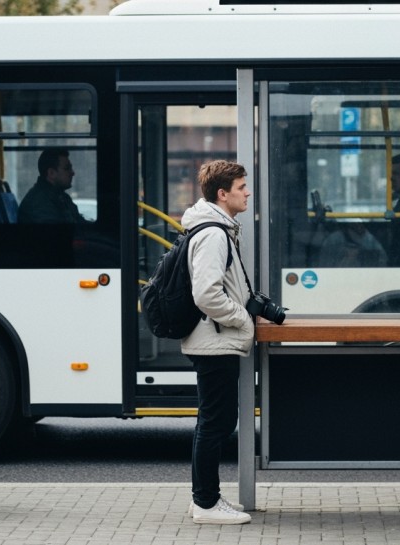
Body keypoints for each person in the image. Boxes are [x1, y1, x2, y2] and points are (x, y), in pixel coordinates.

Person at [181, 160, 253, 525]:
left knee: (214, 421)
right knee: (215, 423)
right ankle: (206, 504)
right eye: (241, 187)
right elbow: (206, 294)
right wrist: (242, 319)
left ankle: (205, 499)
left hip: (215, 338)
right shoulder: (213, 235)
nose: (247, 193)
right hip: (215, 340)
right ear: (223, 194)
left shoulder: (218, 228)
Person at [18, 148, 88, 224]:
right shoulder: (39, 203)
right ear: (51, 173)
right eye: (67, 168)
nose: (72, 173)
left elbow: (79, 222)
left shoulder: (62, 197)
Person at [318, 221, 387, 267]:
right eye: (354, 222)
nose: (358, 225)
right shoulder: (334, 239)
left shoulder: (370, 240)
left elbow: (382, 262)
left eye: (360, 222)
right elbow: (324, 265)